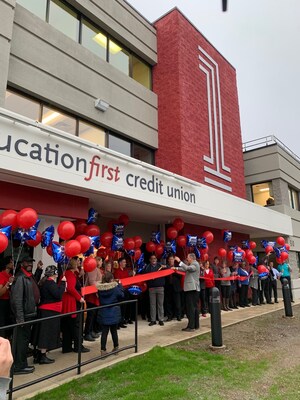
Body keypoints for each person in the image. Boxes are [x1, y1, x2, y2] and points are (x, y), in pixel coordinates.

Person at [10, 257, 40, 374]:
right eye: (27, 262)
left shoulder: (28, 276)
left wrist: (38, 271)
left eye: (31, 263)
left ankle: (22, 363)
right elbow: (17, 300)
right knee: (21, 341)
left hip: (29, 314)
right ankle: (19, 366)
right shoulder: (20, 277)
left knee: (24, 340)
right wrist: (20, 318)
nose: (30, 264)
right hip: (24, 316)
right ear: (22, 263)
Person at [35, 265, 66, 364]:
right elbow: (58, 295)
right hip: (49, 312)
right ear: (54, 274)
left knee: (42, 333)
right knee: (45, 334)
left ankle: (39, 355)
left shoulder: (45, 282)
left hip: (45, 311)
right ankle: (42, 356)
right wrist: (63, 283)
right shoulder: (50, 283)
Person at [61, 259, 89, 354]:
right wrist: (79, 298)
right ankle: (78, 346)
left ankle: (67, 347)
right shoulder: (70, 274)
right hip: (71, 303)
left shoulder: (68, 273)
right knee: (76, 325)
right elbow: (70, 288)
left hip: (67, 302)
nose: (79, 263)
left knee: (67, 326)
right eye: (77, 262)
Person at [96, 272, 124, 357]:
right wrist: (119, 285)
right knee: (114, 331)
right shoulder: (115, 288)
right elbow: (122, 295)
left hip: (104, 311)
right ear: (111, 279)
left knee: (104, 332)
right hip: (113, 311)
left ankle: (103, 350)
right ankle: (116, 347)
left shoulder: (100, 289)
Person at [174, 253, 200, 332]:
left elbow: (188, 268)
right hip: (192, 289)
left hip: (192, 289)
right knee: (194, 308)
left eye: (188, 258)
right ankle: (195, 325)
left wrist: (179, 261)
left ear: (191, 258)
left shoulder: (195, 264)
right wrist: (176, 268)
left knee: (191, 308)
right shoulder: (192, 264)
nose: (187, 259)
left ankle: (191, 326)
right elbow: (185, 269)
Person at [142, 255, 165, 326]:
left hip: (160, 287)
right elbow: (143, 274)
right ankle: (153, 320)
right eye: (152, 259)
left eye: (155, 258)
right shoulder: (147, 267)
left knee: (160, 304)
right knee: (152, 305)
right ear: (150, 260)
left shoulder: (160, 265)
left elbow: (169, 267)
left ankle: (161, 319)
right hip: (151, 288)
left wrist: (166, 266)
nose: (153, 260)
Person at [84, 257, 102, 341]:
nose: (102, 262)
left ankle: (91, 331)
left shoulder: (96, 269)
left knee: (93, 315)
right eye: (101, 261)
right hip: (92, 295)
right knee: (91, 315)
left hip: (95, 295)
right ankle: (87, 332)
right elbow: (92, 282)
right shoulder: (93, 269)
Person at [0, 256, 14, 338]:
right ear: (7, 264)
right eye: (11, 262)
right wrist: (8, 283)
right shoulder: (1, 275)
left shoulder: (10, 275)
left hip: (9, 302)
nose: (13, 263)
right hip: (2, 303)